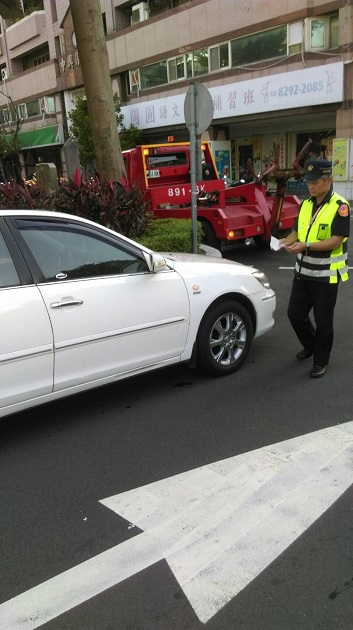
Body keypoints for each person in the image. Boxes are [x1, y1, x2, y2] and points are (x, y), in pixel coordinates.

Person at [277, 158, 350, 378]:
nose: (310, 186)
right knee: (294, 314)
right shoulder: (306, 204)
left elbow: (336, 240)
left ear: (328, 180)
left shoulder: (340, 206)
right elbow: (296, 232)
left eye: (315, 181)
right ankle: (311, 344)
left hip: (326, 277)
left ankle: (320, 361)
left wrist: (306, 245)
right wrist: (281, 242)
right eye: (308, 181)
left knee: (323, 321)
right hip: (303, 273)